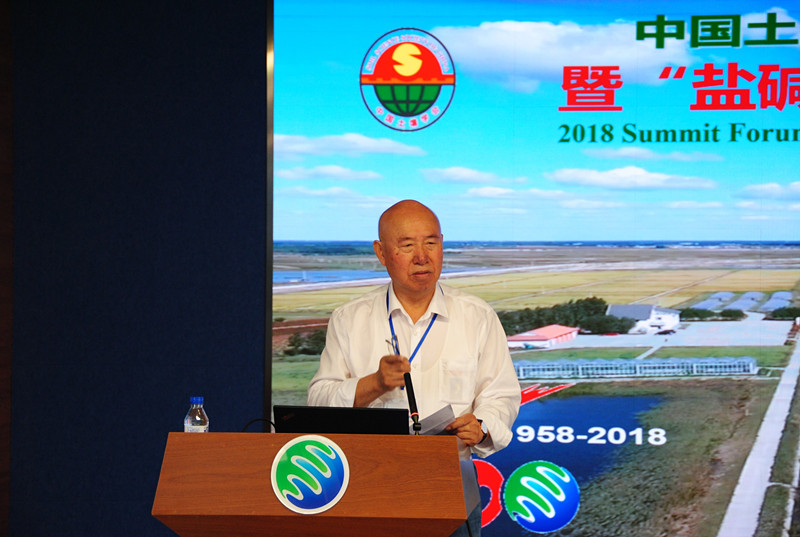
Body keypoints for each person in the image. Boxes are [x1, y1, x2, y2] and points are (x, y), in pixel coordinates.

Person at [308, 200, 521, 537]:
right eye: (407, 245)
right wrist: (374, 384)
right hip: (367, 484)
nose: (422, 256)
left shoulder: (477, 316)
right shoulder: (350, 319)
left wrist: (482, 426)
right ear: (381, 252)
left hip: (450, 483)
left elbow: (501, 394)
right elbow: (317, 402)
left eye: (431, 242)